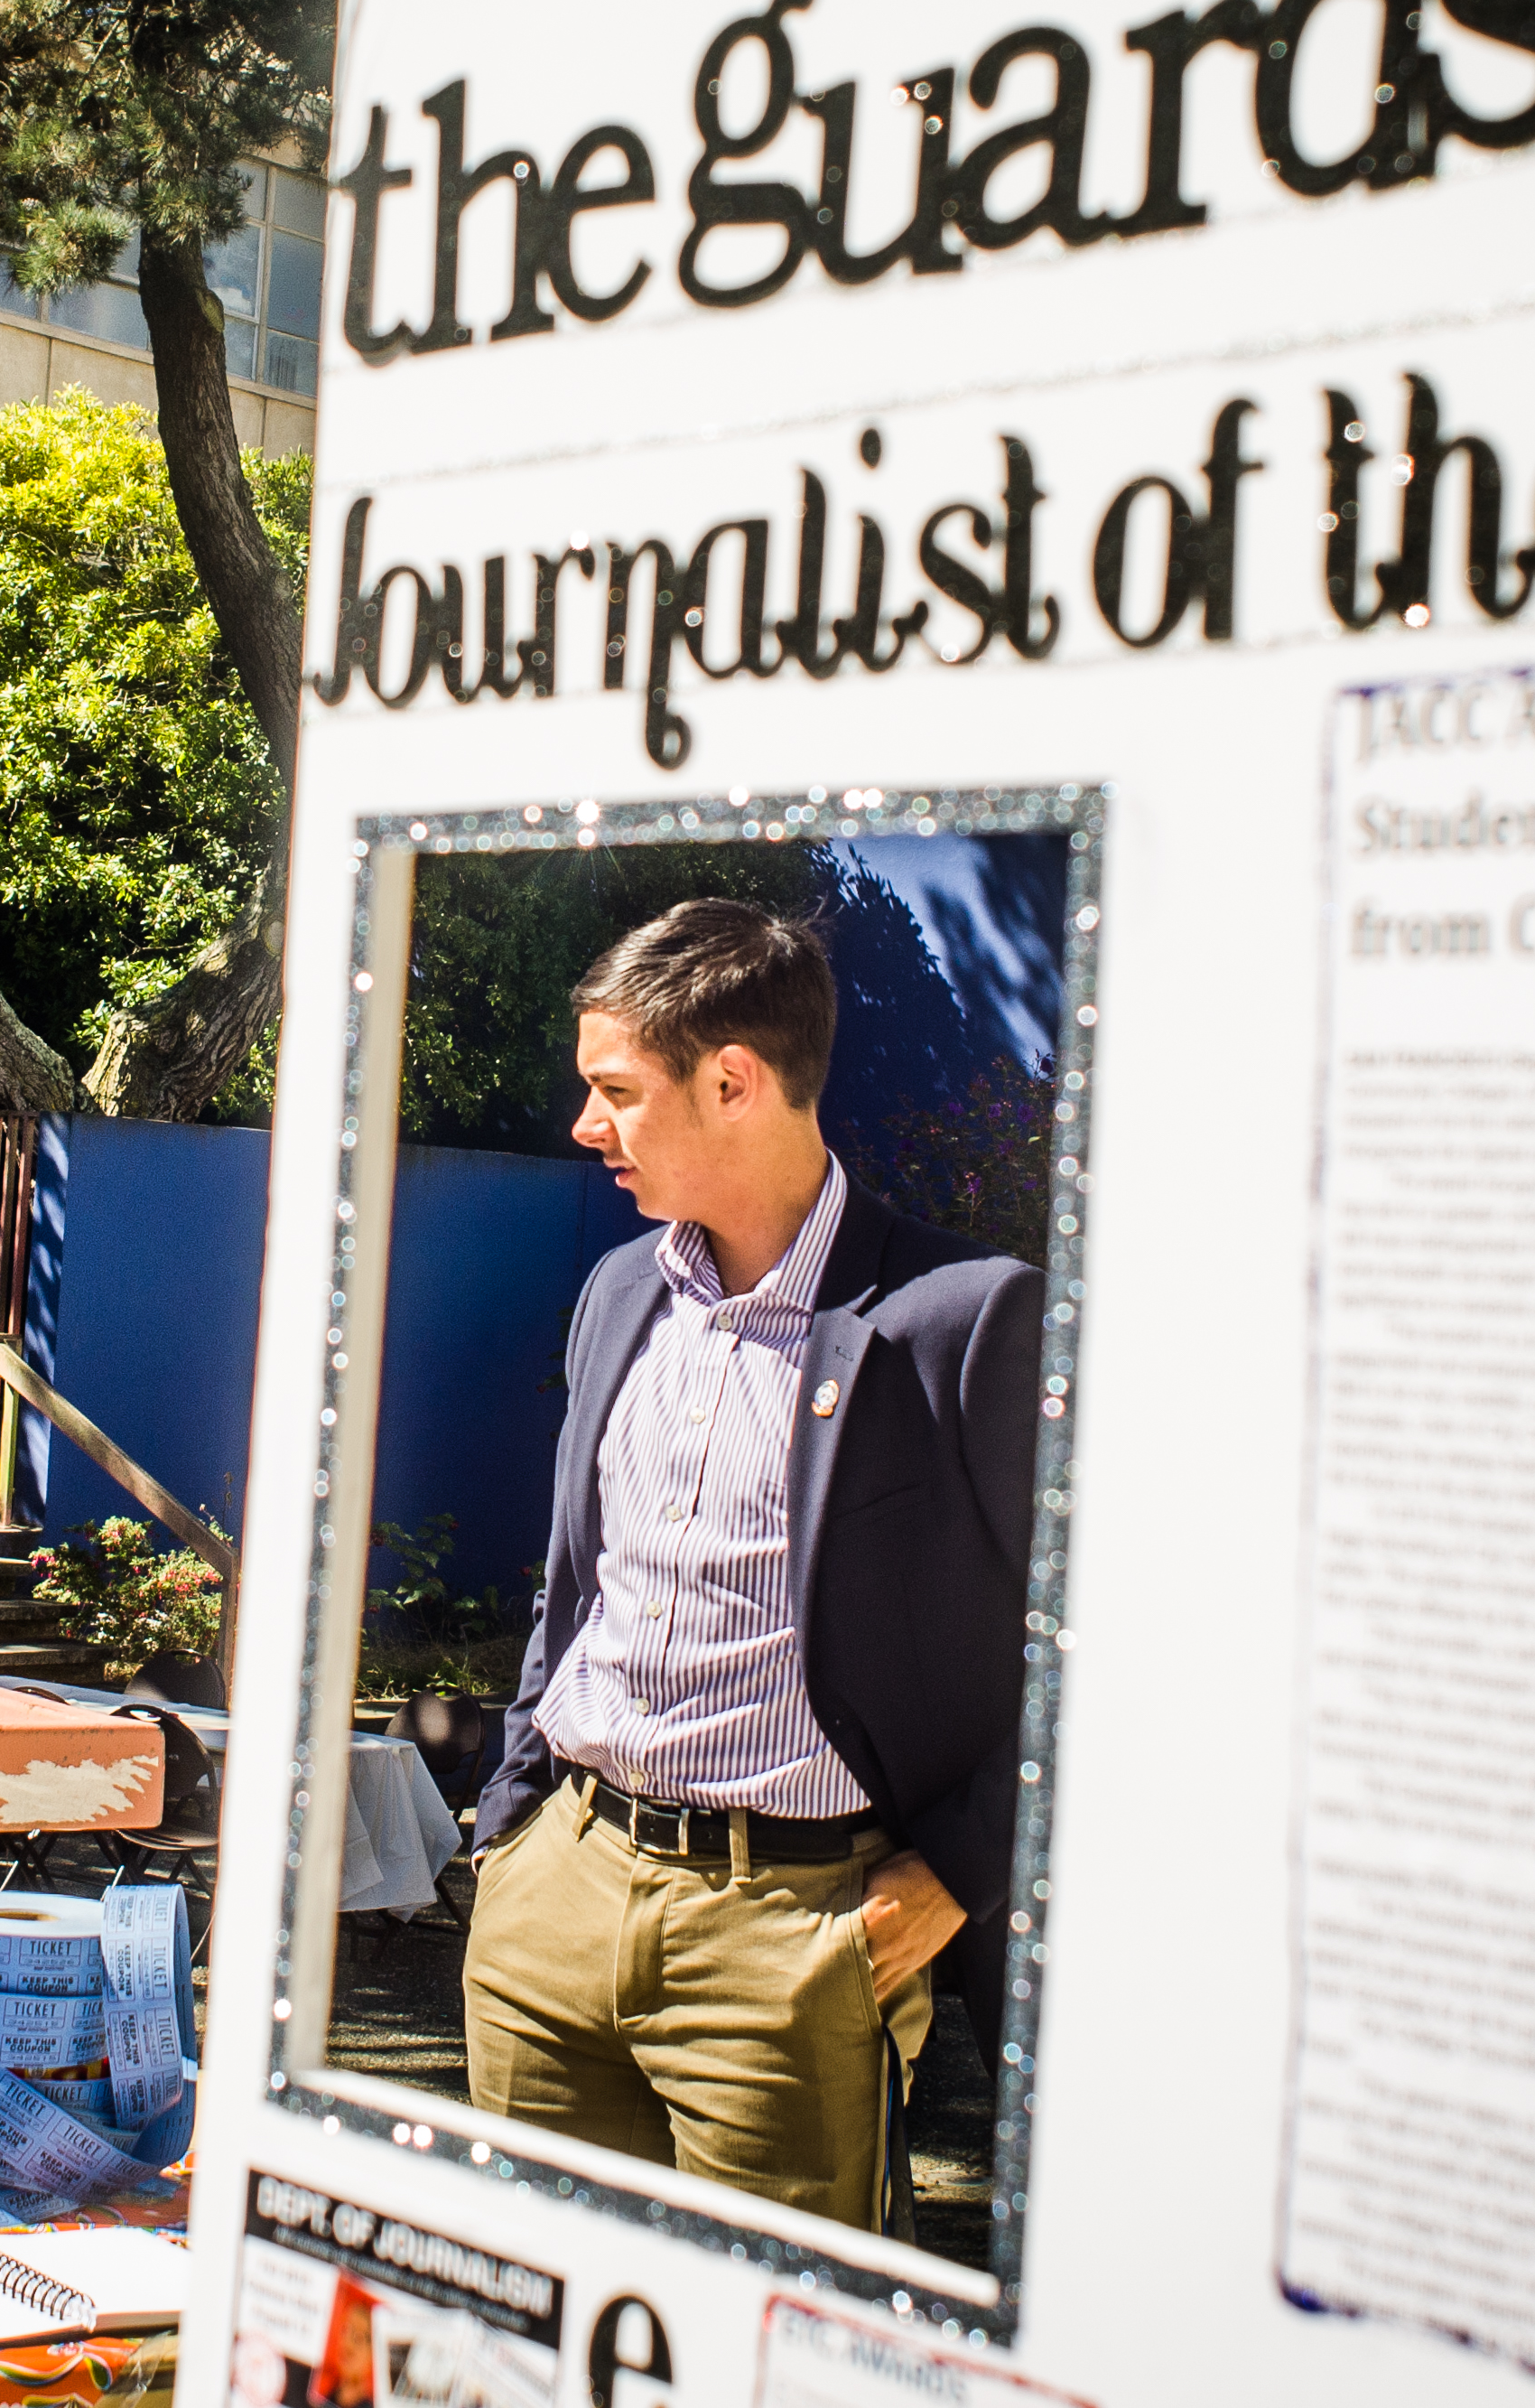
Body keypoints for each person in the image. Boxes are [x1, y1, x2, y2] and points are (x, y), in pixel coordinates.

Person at [462, 898, 1040, 2234]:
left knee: (765, 2348)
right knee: (523, 2312)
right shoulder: (619, 1289)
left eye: (616, 1092)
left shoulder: (961, 1316)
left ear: (734, 1081)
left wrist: (960, 1871)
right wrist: (513, 1820)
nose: (584, 1126)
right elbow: (579, 1584)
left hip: (790, 1942)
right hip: (555, 1895)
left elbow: (1096, 1636)